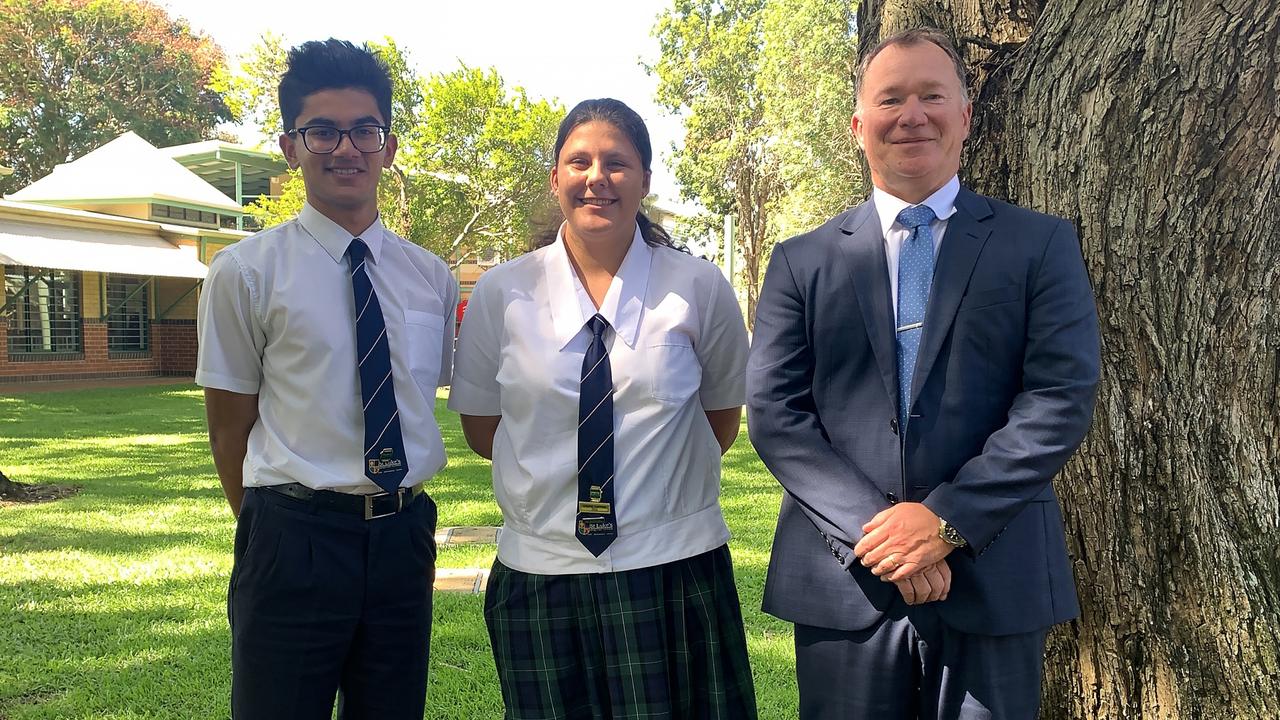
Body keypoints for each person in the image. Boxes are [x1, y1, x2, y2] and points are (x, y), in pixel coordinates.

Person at [747, 28, 1100, 719]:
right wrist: (882, 535)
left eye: (932, 95)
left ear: (965, 116)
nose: (913, 115)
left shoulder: (1040, 245)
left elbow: (1058, 397)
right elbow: (777, 415)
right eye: (891, 99)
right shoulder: (801, 262)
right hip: (845, 581)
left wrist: (945, 522)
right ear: (858, 126)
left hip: (992, 573)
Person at [448, 98, 757, 719]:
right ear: (555, 178)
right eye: (579, 161)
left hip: (672, 567)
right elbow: (484, 429)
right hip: (541, 571)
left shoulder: (697, 287)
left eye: (617, 163)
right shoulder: (503, 293)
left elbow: (719, 418)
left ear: (645, 178)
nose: (597, 177)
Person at [196, 38, 457, 719]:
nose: (346, 149)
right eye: (322, 131)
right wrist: (277, 530)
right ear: (290, 146)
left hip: (403, 540)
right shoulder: (246, 272)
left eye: (364, 130)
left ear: (389, 145)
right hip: (293, 536)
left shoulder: (430, 278)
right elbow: (229, 428)